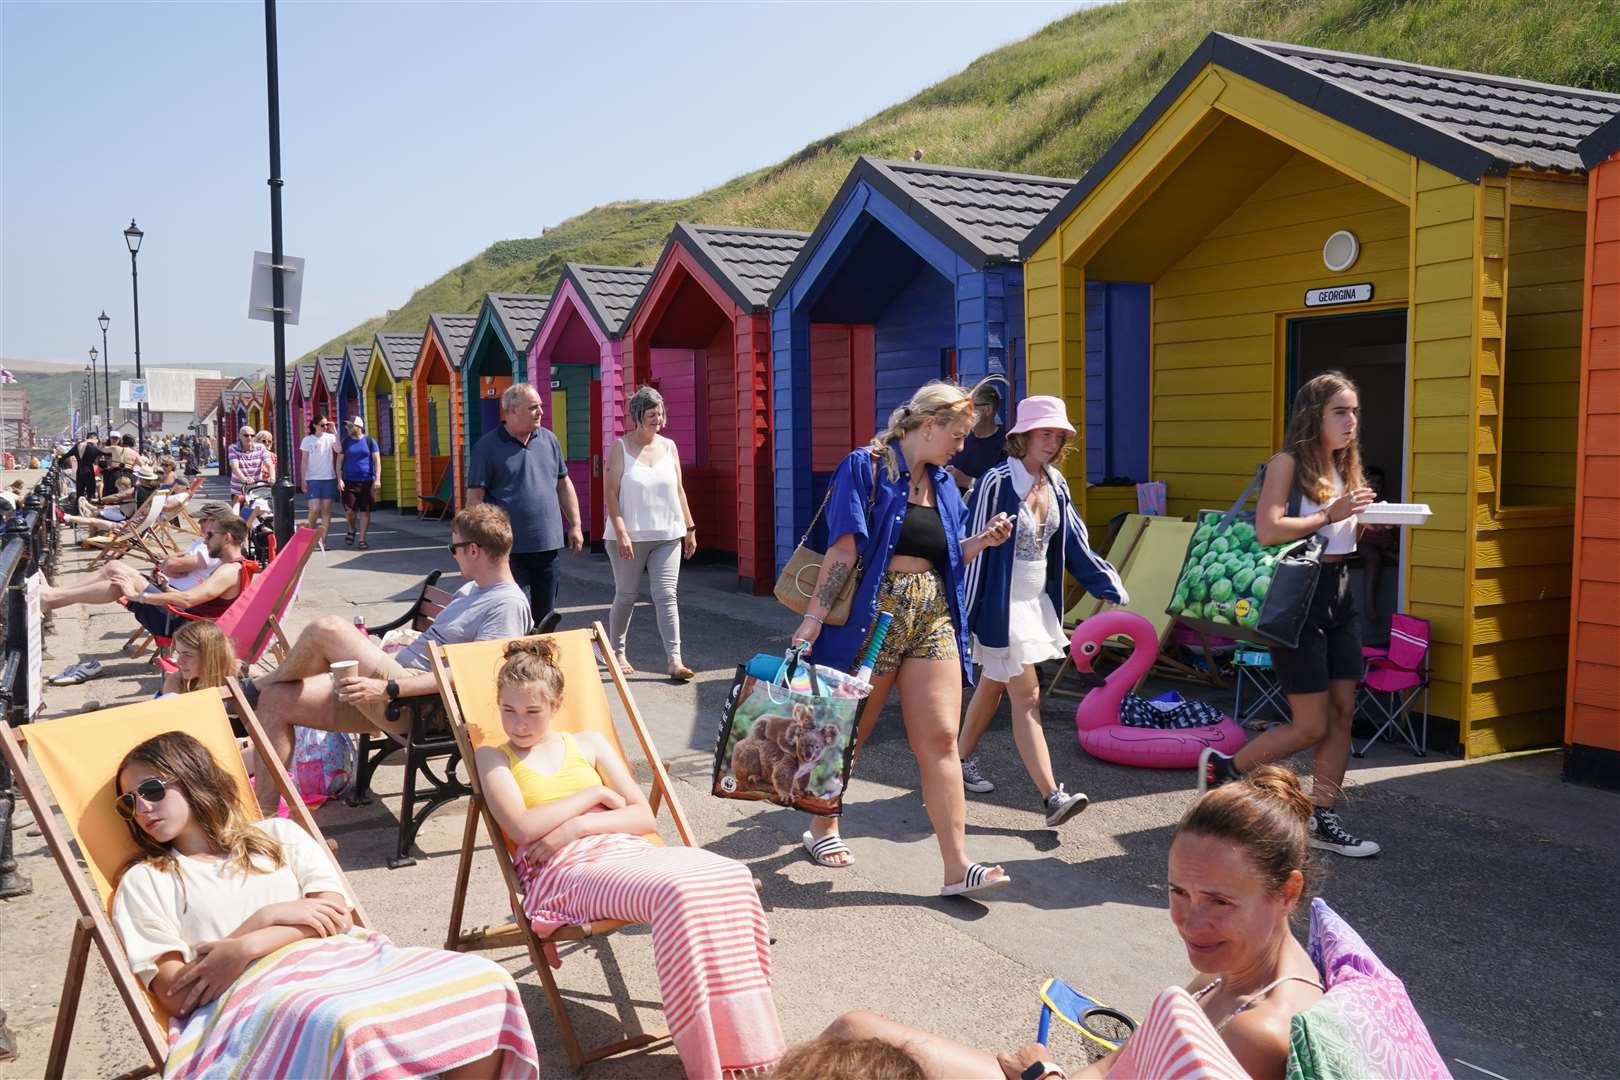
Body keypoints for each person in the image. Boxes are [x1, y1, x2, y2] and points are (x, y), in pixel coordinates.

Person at [822, 766, 1326, 1080]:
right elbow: (1115, 1065)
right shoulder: (1238, 967)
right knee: (853, 1032)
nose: (1190, 921)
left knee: (855, 1051)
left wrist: (1041, 1074)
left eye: (1218, 901)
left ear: (1288, 892)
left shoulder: (1259, 1031)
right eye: (1177, 892)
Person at [109, 731, 537, 1077]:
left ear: (194, 776)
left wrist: (247, 942)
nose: (142, 808)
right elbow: (175, 991)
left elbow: (334, 915)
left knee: (485, 980)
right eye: (129, 803)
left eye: (150, 790)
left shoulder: (279, 837)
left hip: (348, 964)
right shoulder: (147, 880)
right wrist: (262, 926)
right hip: (260, 999)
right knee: (350, 1025)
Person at [475, 638, 784, 1079]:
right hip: (565, 874)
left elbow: (640, 817)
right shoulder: (493, 756)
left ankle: (753, 1047)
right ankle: (712, 1061)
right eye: (508, 710)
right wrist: (596, 796)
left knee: (730, 874)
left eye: (532, 712)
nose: (519, 723)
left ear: (557, 704)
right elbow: (523, 828)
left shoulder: (588, 743)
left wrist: (574, 825)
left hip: (625, 852)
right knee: (676, 892)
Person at [790, 381, 1016, 896]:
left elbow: (946, 555)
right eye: (957, 434)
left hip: (931, 613)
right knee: (849, 734)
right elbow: (843, 548)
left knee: (940, 741)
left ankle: (957, 867)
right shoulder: (866, 467)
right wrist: (814, 617)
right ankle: (822, 826)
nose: (962, 446)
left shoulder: (945, 484)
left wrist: (980, 541)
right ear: (930, 424)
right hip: (875, 614)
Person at [245, 503, 533, 814]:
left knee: (327, 629)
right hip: (398, 687)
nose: (453, 554)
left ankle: (253, 687)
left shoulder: (506, 604)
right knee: (274, 700)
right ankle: (268, 815)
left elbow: (477, 675)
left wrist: (389, 689)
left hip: (419, 705)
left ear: (473, 550)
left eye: (455, 547)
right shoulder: (472, 590)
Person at [1200, 371, 1379, 858]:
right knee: (1311, 724)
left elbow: (1342, 532)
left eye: (1355, 412)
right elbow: (1268, 529)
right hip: (1298, 595)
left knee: (1343, 713)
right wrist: (1332, 514)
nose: (1351, 421)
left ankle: (1324, 816)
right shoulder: (1288, 463)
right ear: (1313, 415)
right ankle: (1226, 766)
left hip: (1343, 590)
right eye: (1340, 411)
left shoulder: (1347, 466)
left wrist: (1366, 522)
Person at [958, 396, 1127, 824]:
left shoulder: (1056, 484)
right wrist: (968, 613)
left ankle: (954, 762)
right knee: (1028, 696)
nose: (1051, 441)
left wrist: (1106, 582)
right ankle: (1052, 797)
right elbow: (970, 545)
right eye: (1044, 432)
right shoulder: (996, 481)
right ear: (1023, 436)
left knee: (994, 684)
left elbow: (1074, 543)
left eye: (1058, 435)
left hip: (1034, 604)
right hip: (999, 605)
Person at [467, 383, 583, 628]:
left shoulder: (549, 440)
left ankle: (539, 664)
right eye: (533, 408)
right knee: (512, 614)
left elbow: (564, 485)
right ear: (511, 411)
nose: (540, 412)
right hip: (507, 550)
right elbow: (475, 498)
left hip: (546, 546)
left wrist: (575, 525)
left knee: (545, 616)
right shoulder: (486, 447)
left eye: (540, 406)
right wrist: (475, 541)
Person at [602, 386, 697, 680]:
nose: (658, 418)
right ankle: (616, 652)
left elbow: (679, 491)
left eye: (661, 413)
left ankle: (674, 660)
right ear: (637, 416)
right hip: (628, 537)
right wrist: (621, 532)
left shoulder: (669, 447)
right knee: (627, 595)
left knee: (667, 595)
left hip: (668, 534)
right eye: (652, 413)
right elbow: (610, 493)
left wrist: (690, 529)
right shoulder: (620, 448)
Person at [42, 507, 236, 615]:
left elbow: (187, 597)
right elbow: (172, 564)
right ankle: (53, 596)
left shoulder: (226, 564)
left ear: (224, 535)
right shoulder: (218, 554)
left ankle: (50, 599)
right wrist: (170, 567)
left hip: (176, 611)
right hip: (170, 593)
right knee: (114, 566)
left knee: (120, 582)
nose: (201, 527)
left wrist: (138, 597)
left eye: (207, 528)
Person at [1356, 463, 1398, 635]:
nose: (1375, 486)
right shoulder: (1358, 502)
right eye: (1370, 482)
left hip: (1380, 545)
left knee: (1395, 556)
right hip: (1359, 545)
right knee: (1373, 556)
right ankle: (1369, 603)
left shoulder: (1383, 504)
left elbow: (1388, 536)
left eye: (1378, 482)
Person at [946, 380, 1007, 495]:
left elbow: (1005, 490)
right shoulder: (959, 438)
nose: (963, 413)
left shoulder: (1006, 445)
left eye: (969, 407)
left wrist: (969, 481)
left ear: (987, 410)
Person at [159, 620, 241, 697]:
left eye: (188, 654)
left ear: (211, 655)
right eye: (178, 653)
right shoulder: (176, 684)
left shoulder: (241, 678)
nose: (178, 663)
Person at [338, 416, 381, 549]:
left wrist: (377, 478)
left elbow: (377, 461)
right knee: (350, 511)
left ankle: (362, 539)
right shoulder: (345, 442)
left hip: (367, 480)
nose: (348, 428)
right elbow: (339, 462)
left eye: (350, 426)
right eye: (347, 426)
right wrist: (339, 479)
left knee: (364, 511)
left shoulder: (369, 441)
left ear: (358, 427)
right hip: (349, 481)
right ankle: (351, 528)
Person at [299, 414, 340, 546]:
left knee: (326, 511)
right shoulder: (307, 440)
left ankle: (323, 540)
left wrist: (335, 431)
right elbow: (304, 461)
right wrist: (303, 479)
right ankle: (309, 535)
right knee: (314, 509)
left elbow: (339, 449)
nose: (325, 427)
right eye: (322, 425)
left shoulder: (330, 437)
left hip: (328, 478)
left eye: (326, 425)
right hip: (312, 478)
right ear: (315, 425)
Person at [227, 426, 269, 509]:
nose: (249, 437)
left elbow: (269, 464)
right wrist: (245, 479)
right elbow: (235, 467)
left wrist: (273, 478)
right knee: (236, 514)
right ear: (240, 436)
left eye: (252, 435)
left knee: (259, 511)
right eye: (246, 435)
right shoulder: (233, 448)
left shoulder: (260, 448)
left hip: (256, 488)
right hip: (239, 488)